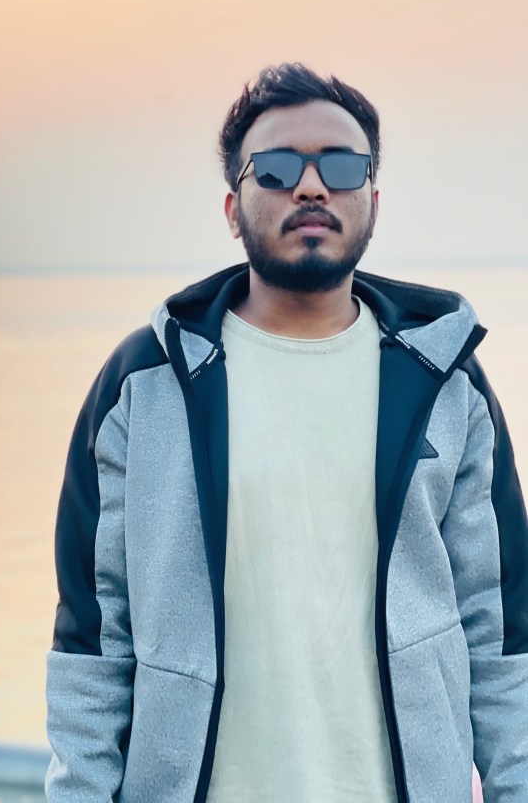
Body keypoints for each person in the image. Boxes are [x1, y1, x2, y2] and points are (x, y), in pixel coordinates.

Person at [44, 63, 528, 802]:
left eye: (341, 165)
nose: (310, 187)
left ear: (372, 197)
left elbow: (500, 634)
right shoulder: (145, 384)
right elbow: (93, 636)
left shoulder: (444, 383)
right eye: (276, 168)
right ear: (234, 208)